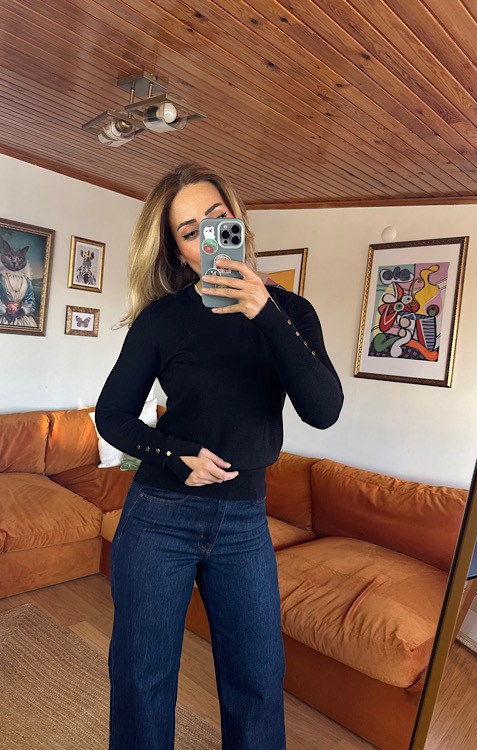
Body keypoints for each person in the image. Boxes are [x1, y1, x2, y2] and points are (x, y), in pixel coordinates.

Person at [95, 163, 344, 750]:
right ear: (180, 252)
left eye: (216, 218)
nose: (208, 236)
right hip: (159, 517)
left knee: (258, 682)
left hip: (244, 524)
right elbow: (112, 415)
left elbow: (324, 410)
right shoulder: (162, 319)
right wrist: (176, 453)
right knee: (141, 681)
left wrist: (264, 312)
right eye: (190, 231)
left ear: (236, 220)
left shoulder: (291, 313)